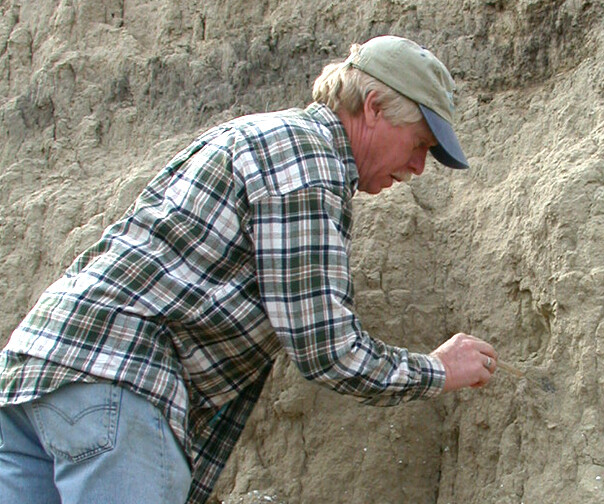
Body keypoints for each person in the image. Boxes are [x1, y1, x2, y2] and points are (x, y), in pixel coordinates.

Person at [0, 35, 498, 504]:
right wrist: (438, 369)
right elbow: (327, 351)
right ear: (373, 108)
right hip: (114, 386)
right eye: (418, 144)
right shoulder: (308, 164)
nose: (417, 168)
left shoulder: (258, 135)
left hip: (33, 379)